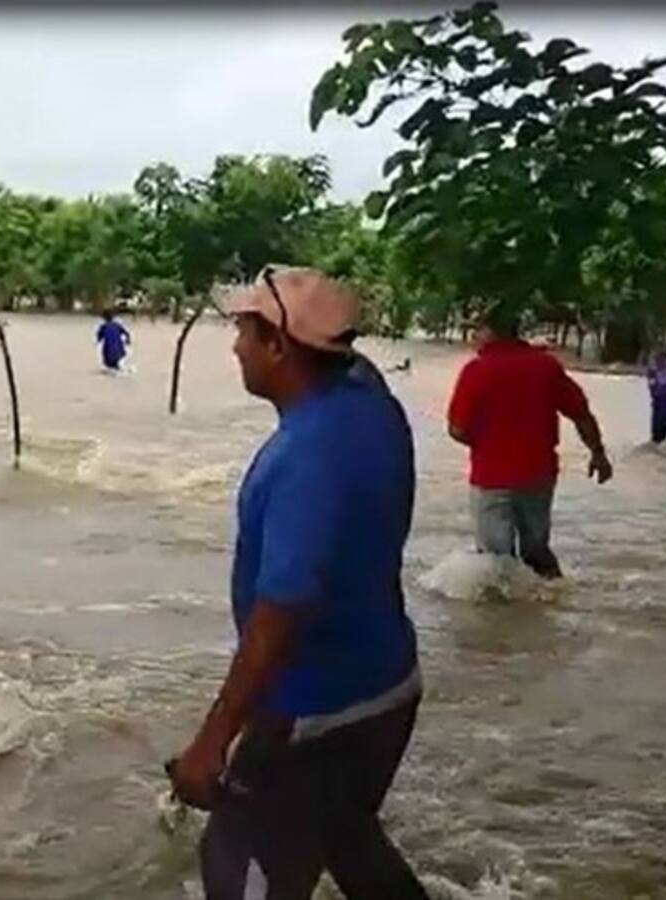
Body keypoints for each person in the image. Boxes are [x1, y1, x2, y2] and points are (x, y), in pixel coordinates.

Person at [170, 265, 427, 900]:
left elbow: (281, 609)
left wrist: (212, 741)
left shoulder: (303, 460)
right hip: (390, 685)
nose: (235, 348)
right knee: (345, 837)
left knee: (236, 870)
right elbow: (354, 364)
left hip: (319, 713)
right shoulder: (373, 407)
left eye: (246, 333)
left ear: (280, 348)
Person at [447, 304, 613, 579]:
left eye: (477, 329)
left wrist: (487, 444)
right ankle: (551, 602)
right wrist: (598, 454)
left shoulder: (476, 370)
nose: (474, 336)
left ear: (491, 332)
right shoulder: (546, 366)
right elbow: (581, 414)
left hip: (492, 477)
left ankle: (504, 618)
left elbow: (457, 429)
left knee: (495, 561)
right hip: (539, 475)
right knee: (537, 552)